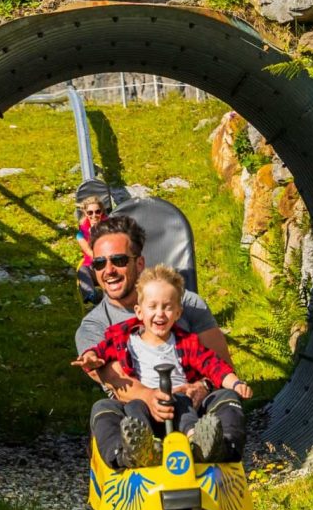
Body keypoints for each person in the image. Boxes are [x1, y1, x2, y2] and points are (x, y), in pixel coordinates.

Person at [73, 214, 238, 459]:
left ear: (139, 264)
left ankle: (218, 450)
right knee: (103, 411)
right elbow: (117, 381)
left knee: (226, 398)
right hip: (136, 412)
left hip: (191, 406)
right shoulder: (93, 327)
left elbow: (223, 364)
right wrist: (152, 398)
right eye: (99, 264)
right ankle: (129, 455)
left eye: (118, 260)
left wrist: (201, 387)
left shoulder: (188, 304)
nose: (109, 271)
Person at [74, 195, 108, 304]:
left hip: (109, 264)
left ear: (101, 212)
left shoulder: (110, 227)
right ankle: (91, 296)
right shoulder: (80, 234)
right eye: (90, 213)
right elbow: (89, 252)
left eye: (97, 212)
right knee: (82, 270)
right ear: (85, 213)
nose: (94, 215)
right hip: (93, 265)